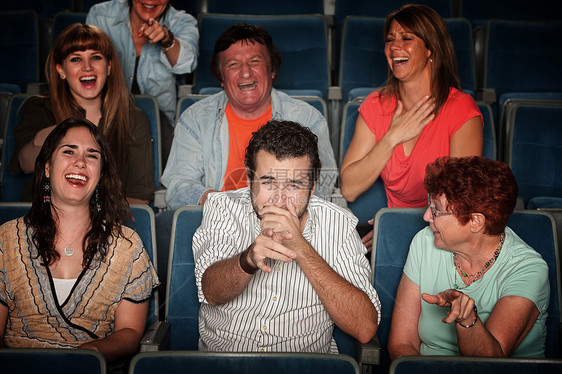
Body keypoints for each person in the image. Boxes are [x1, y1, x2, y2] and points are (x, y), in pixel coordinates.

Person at [193, 120, 380, 352]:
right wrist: (248, 259)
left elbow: (365, 328)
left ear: (312, 187)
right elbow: (211, 293)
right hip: (226, 364)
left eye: (294, 185)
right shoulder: (222, 208)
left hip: (305, 367)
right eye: (268, 183)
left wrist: (301, 248)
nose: (279, 201)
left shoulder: (340, 223)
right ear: (250, 180)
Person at [0, 118, 160, 363]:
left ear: (101, 174)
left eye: (92, 156)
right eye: (68, 151)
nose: (80, 163)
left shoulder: (128, 247)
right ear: (46, 167)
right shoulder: (6, 240)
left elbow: (129, 333)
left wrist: (90, 355)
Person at [340, 4, 483, 247]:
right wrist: (392, 137)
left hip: (445, 235)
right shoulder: (376, 105)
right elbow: (349, 188)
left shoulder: (460, 109)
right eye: (389, 39)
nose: (394, 47)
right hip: (394, 233)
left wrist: (399, 226)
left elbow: (461, 200)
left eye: (407, 38)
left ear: (431, 49)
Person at [161, 22, 338, 209]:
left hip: (286, 218)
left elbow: (322, 186)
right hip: (218, 220)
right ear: (221, 77)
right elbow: (178, 186)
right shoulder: (195, 118)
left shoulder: (307, 118)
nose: (245, 73)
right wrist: (220, 203)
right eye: (233, 64)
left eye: (255, 61)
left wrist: (279, 208)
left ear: (272, 70)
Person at [388, 156, 549, 358]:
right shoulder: (424, 242)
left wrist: (467, 318)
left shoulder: (528, 268)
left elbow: (489, 363)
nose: (426, 217)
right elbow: (402, 342)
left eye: (436, 210)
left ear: (475, 221)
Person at [8, 23, 154, 204]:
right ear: (61, 69)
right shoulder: (38, 108)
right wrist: (68, 129)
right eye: (76, 59)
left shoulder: (133, 119)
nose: (87, 67)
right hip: (44, 217)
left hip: (108, 222)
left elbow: (139, 198)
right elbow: (26, 163)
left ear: (109, 67)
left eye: (96, 57)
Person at [87, 0, 199, 166]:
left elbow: (187, 64)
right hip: (106, 112)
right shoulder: (100, 14)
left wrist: (167, 39)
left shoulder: (183, 21)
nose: (150, 1)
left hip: (158, 123)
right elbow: (86, 64)